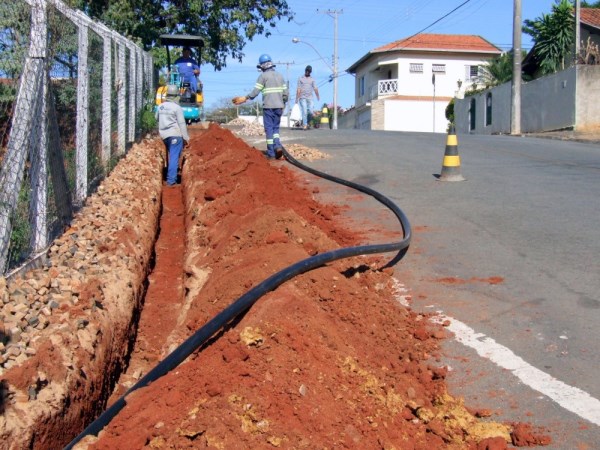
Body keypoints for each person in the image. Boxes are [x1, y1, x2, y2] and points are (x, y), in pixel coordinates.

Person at [232, 54, 288, 159]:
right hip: (279, 107)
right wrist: (283, 104)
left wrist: (245, 98)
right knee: (276, 129)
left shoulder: (263, 76)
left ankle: (271, 153)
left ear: (262, 65)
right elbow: (285, 93)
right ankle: (277, 146)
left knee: (269, 129)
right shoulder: (280, 76)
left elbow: (255, 91)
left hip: (268, 107)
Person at [155, 85, 189, 186]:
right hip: (175, 135)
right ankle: (171, 180)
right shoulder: (177, 108)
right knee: (174, 156)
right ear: (176, 96)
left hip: (164, 135)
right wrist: (186, 137)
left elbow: (156, 118)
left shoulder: (160, 106)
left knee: (171, 155)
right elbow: (182, 123)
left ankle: (168, 173)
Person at [295, 65, 320, 130]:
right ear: (305, 71)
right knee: (304, 111)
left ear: (310, 72)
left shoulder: (312, 79)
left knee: (311, 111)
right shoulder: (300, 78)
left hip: (310, 98)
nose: (307, 72)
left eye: (309, 71)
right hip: (302, 97)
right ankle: (305, 125)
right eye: (307, 71)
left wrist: (317, 96)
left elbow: (315, 88)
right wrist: (297, 98)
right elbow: (298, 89)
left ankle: (307, 123)